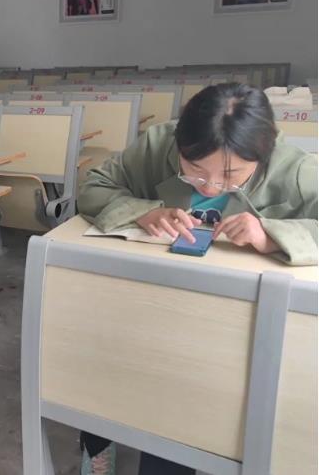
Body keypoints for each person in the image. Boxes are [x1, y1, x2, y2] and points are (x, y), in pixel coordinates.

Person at [76, 82, 317, 474]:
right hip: (152, 300)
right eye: (195, 171)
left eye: (231, 175)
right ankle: (99, 439)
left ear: (262, 154)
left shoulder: (296, 169)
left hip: (237, 321)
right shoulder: (157, 145)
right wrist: (143, 211)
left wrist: (272, 234)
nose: (210, 186)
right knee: (97, 345)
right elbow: (93, 186)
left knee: (199, 402)